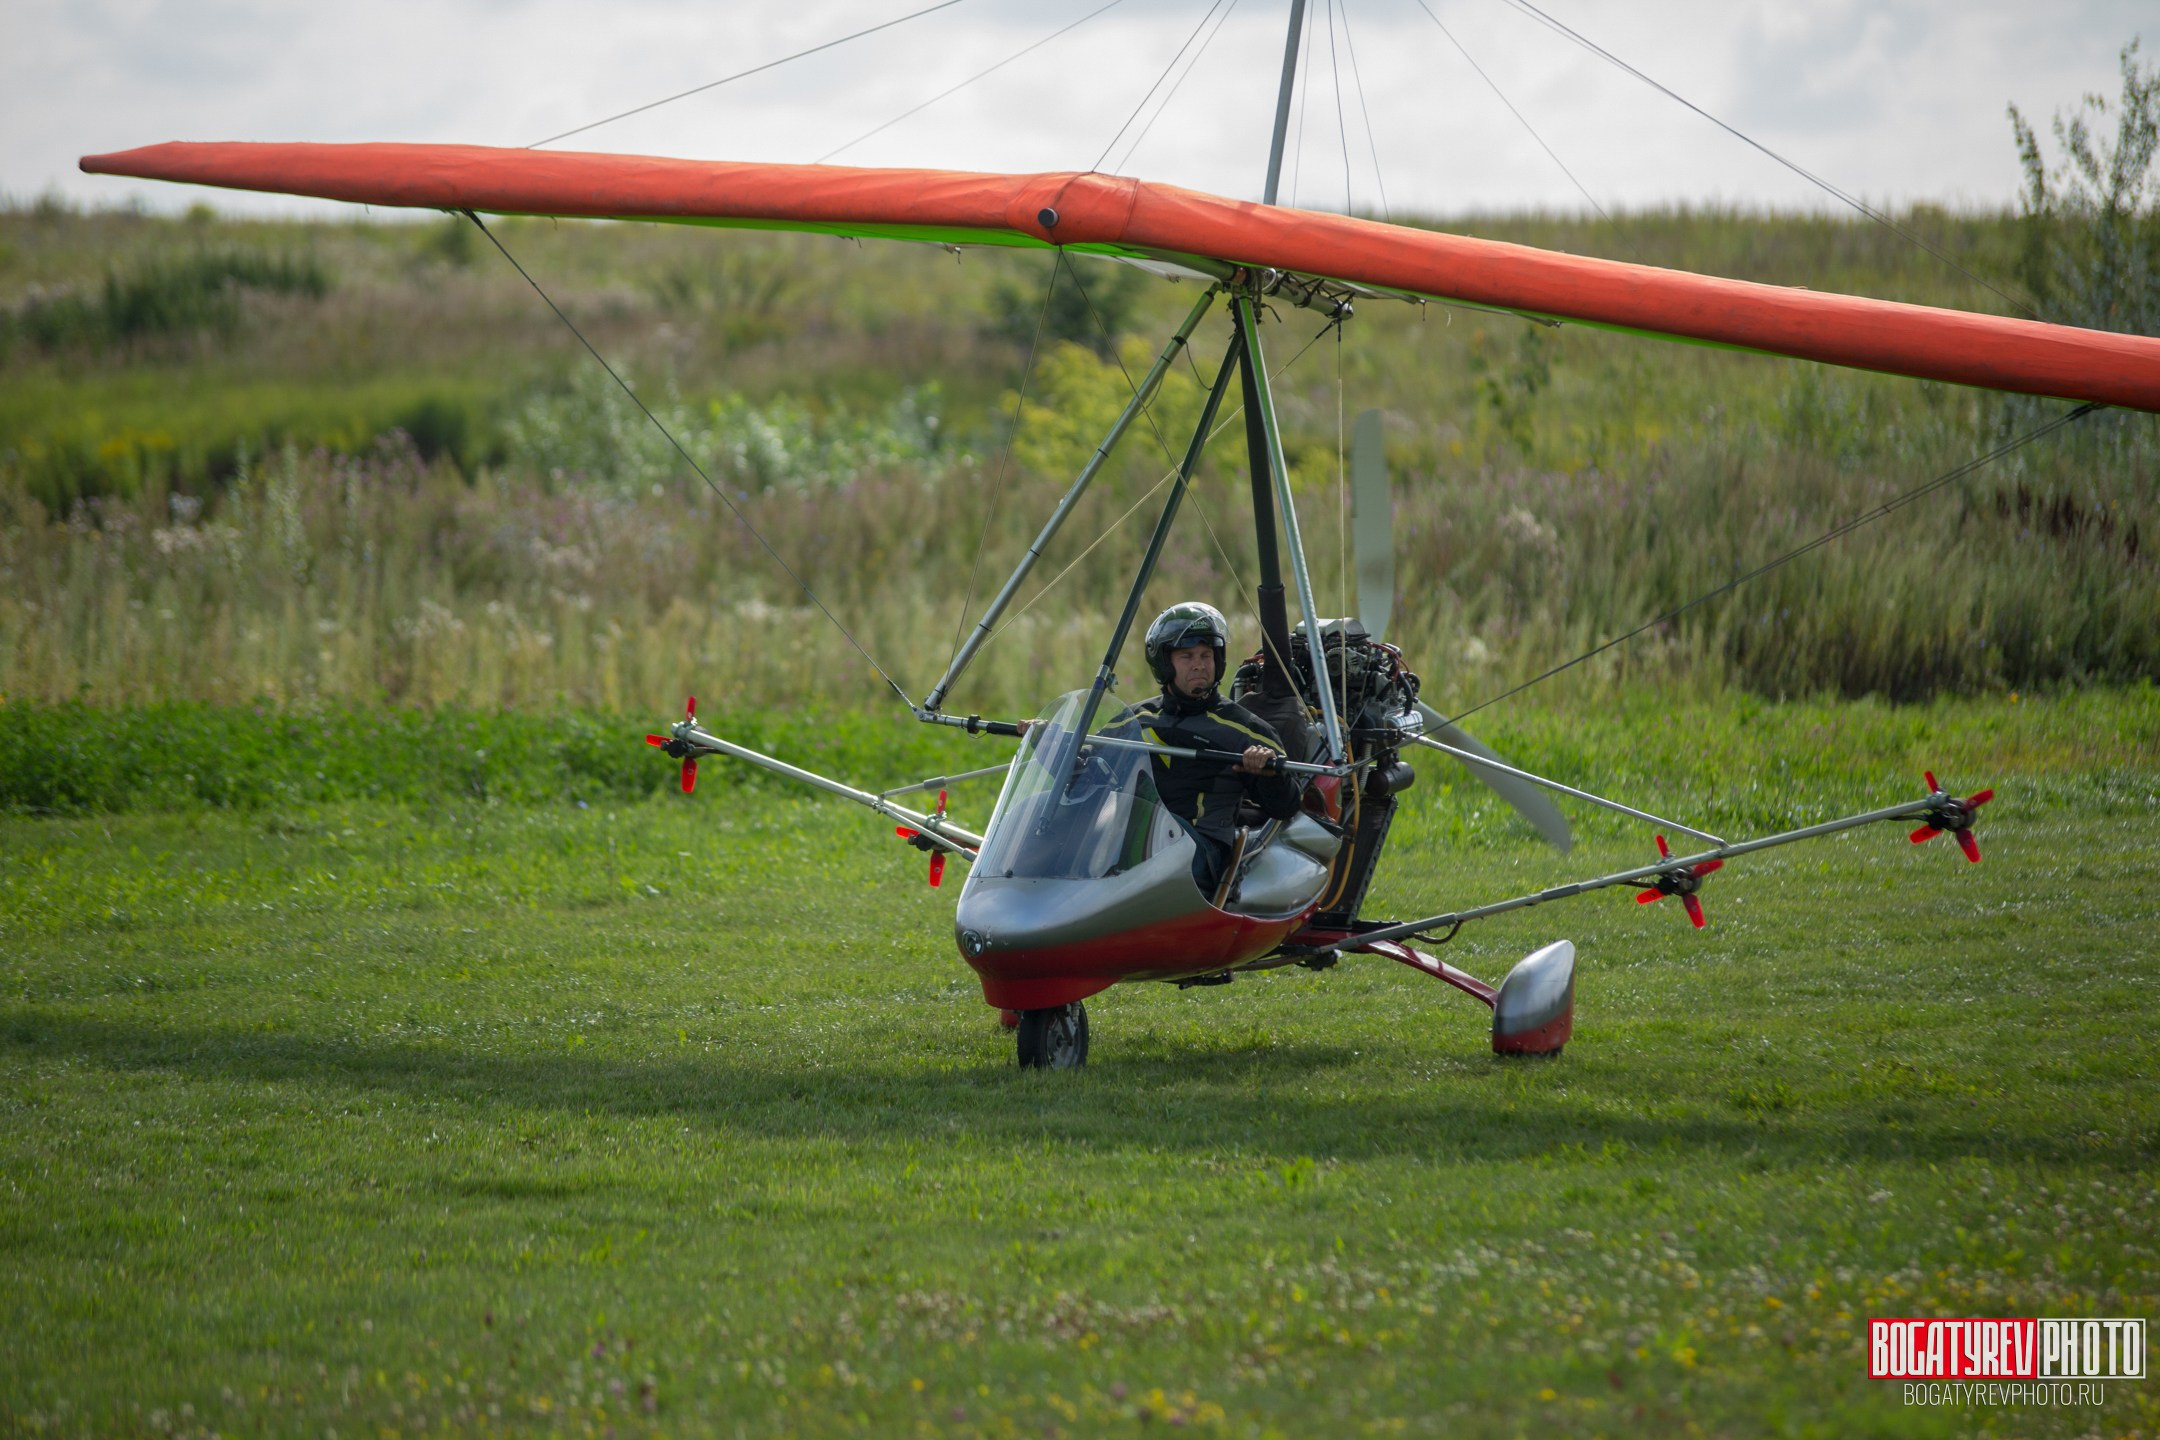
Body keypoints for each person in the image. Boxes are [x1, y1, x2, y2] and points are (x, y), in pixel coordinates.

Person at [1137, 602, 1302, 899]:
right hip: (1136, 839)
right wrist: (1047, 741)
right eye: (1186, 656)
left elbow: (1287, 805)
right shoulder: (1136, 719)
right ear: (1164, 664)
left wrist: (1267, 773)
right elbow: (1087, 766)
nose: (1199, 664)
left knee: (1158, 833)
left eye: (1206, 655)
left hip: (1201, 848)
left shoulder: (1246, 730)